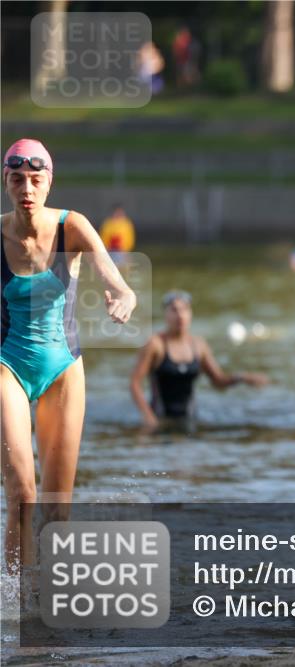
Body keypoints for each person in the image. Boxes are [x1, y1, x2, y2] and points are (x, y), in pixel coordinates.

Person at [1, 139, 137, 575]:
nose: (27, 189)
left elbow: (113, 276)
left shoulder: (71, 226)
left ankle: (47, 604)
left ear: (49, 182)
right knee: (23, 492)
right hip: (7, 365)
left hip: (63, 368)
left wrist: (124, 294)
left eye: (36, 180)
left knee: (57, 512)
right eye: (17, 179)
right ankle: (15, 600)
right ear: (6, 182)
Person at [129, 290, 269, 431]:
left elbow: (218, 381)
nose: (180, 315)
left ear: (190, 314)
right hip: (160, 420)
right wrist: (147, 416)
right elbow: (135, 383)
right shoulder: (155, 344)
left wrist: (243, 378)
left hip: (190, 420)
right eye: (174, 310)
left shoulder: (198, 345)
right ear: (166, 315)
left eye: (185, 310)